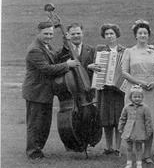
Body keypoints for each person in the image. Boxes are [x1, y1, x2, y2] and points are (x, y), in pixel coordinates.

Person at [23, 21, 81, 158]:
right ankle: (33, 152)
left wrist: (66, 44)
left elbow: (55, 57)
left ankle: (38, 149)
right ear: (38, 33)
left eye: (50, 34)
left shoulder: (46, 46)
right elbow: (47, 69)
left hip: (45, 92)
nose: (49, 36)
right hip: (36, 92)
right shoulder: (35, 49)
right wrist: (67, 65)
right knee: (36, 123)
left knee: (44, 123)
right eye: (46, 34)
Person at [120, 20, 154, 164]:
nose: (143, 35)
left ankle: (147, 155)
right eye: (140, 33)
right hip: (135, 89)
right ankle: (135, 154)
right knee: (134, 120)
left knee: (149, 121)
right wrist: (140, 82)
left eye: (145, 33)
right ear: (135, 35)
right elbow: (124, 72)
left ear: (148, 35)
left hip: (152, 89)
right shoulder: (129, 51)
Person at [95, 23, 126, 156]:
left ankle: (118, 148)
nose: (109, 36)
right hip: (105, 89)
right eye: (107, 34)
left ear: (116, 35)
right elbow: (96, 67)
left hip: (119, 90)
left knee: (118, 118)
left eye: (111, 33)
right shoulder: (100, 50)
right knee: (106, 119)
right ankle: (109, 147)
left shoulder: (124, 50)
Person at [118, 85, 154, 168]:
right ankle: (129, 163)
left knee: (139, 147)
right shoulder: (127, 107)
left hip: (139, 131)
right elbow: (122, 118)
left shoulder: (145, 108)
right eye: (135, 97)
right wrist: (120, 127)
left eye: (139, 97)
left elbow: (148, 121)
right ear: (130, 97)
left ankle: (139, 163)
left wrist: (149, 131)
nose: (137, 99)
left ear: (142, 97)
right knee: (129, 147)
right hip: (129, 131)